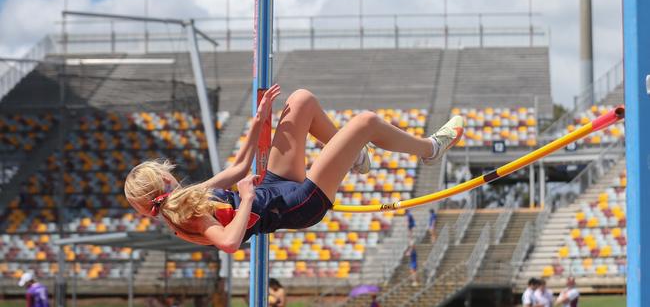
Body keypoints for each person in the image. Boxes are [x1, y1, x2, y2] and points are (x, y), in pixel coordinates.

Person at [124, 86, 464, 253]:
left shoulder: (187, 198)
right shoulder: (188, 218)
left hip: (275, 185)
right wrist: (244, 199)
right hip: (298, 204)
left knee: (301, 100)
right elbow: (229, 243)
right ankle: (431, 150)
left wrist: (258, 122)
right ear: (162, 179)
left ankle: (356, 157)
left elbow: (239, 166)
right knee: (365, 122)